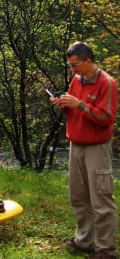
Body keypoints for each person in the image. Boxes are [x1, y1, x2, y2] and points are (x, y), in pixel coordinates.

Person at [50, 41, 118, 259]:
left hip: (96, 147)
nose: (72, 69)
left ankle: (106, 248)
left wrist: (79, 104)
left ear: (89, 61)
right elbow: (73, 113)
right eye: (70, 65)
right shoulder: (76, 80)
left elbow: (106, 118)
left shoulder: (107, 83)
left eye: (75, 65)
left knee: (101, 197)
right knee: (78, 196)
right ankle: (84, 240)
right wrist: (63, 105)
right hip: (76, 144)